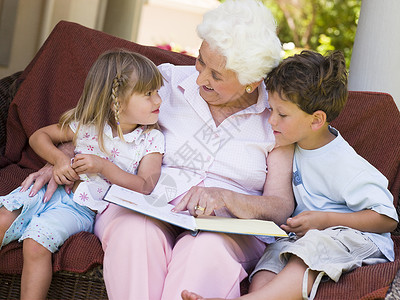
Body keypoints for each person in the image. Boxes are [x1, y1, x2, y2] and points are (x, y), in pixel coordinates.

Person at [19, 0, 295, 299]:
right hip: (145, 201)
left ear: (252, 81)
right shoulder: (166, 81)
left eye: (217, 76)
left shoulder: (277, 115)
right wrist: (63, 159)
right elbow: (106, 124)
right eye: (201, 61)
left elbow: (280, 205)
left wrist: (228, 197)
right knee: (134, 233)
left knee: (205, 250)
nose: (200, 78)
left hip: (227, 227)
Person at [181, 50, 399, 300]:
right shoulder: (292, 144)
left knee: (310, 248)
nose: (271, 120)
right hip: (302, 237)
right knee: (269, 262)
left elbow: (386, 219)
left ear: (316, 120)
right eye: (271, 109)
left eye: (282, 114)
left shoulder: (342, 162)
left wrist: (325, 220)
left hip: (356, 238)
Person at [0, 49, 165, 300]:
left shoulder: (150, 139)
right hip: (46, 191)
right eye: (149, 94)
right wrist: (59, 159)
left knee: (36, 243)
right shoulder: (88, 126)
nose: (158, 101)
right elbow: (39, 136)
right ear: (116, 102)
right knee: (1, 220)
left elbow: (146, 185)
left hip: (80, 208)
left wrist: (104, 167)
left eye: (157, 92)